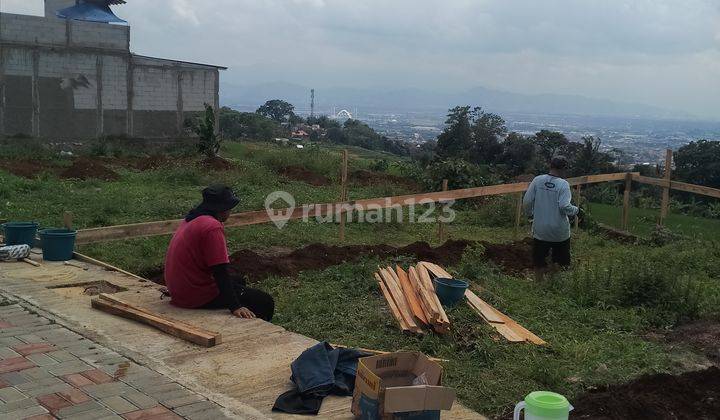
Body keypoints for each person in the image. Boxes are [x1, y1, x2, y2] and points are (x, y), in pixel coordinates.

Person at [164, 185, 275, 321]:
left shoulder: (192, 219)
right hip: (195, 296)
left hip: (180, 291)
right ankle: (257, 330)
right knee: (264, 301)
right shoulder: (212, 227)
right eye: (229, 208)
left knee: (238, 281)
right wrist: (235, 306)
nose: (230, 212)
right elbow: (220, 271)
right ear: (221, 209)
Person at [523, 156, 581, 281]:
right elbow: (564, 206)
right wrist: (577, 211)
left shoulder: (537, 180)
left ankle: (538, 284)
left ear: (551, 166)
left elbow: (527, 201)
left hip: (540, 229)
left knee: (539, 260)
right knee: (559, 261)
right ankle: (553, 282)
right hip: (559, 232)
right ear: (564, 169)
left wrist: (530, 214)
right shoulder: (563, 184)